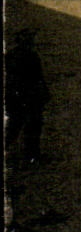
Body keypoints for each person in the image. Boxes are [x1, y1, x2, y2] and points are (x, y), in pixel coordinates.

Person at [5, 30, 49, 164]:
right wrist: (44, 92)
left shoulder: (10, 56)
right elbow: (38, 78)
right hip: (29, 96)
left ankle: (30, 153)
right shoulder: (31, 56)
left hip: (17, 96)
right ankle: (32, 154)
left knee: (15, 125)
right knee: (31, 126)